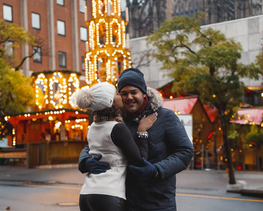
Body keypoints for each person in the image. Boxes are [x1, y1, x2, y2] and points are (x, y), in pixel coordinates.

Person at [79, 69, 194, 211]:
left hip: (158, 202)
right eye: (124, 93)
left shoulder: (164, 117)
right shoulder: (115, 119)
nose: (129, 97)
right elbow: (94, 143)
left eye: (134, 92)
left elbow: (185, 151)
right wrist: (85, 161)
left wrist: (157, 170)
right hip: (126, 201)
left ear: (143, 93)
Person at [75, 82, 157, 211]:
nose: (120, 95)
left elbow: (89, 150)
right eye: (117, 93)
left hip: (87, 193)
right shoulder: (117, 128)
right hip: (109, 193)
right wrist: (142, 131)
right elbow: (139, 159)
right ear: (111, 102)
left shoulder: (92, 128)